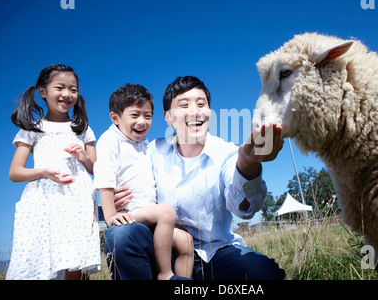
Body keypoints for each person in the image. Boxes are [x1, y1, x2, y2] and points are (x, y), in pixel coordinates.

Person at [106, 76, 286, 280]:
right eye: (184, 105)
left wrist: (248, 165)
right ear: (168, 117)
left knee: (264, 274)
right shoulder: (151, 151)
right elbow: (117, 179)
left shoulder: (227, 153)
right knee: (121, 235)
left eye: (201, 104)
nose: (195, 111)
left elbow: (244, 209)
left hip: (215, 252)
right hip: (165, 250)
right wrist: (113, 200)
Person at [7, 64, 100, 280]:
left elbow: (96, 169)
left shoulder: (82, 129)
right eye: (59, 88)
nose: (67, 94)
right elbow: (15, 172)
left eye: (73, 89)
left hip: (78, 200)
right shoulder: (32, 128)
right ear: (42, 92)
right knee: (43, 256)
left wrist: (83, 157)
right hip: (44, 200)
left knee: (76, 259)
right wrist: (44, 172)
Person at [94, 84, 193, 280]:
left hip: (149, 218)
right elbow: (104, 178)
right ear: (116, 118)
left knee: (186, 241)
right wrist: (110, 215)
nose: (142, 121)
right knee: (166, 211)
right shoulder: (110, 140)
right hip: (130, 213)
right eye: (135, 115)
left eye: (147, 116)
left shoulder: (144, 144)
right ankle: (165, 274)